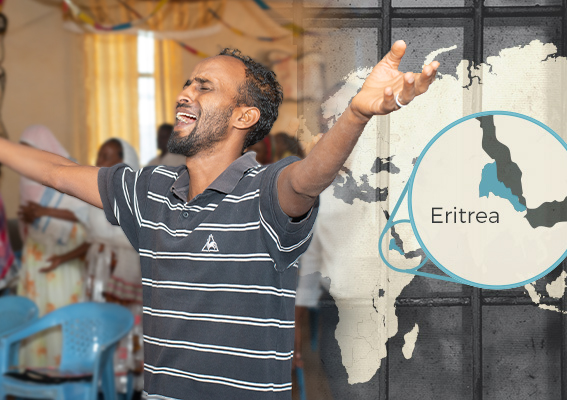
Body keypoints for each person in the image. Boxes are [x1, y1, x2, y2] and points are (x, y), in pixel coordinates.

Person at [0, 41, 439, 398]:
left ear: (243, 116)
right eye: (188, 82)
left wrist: (357, 113)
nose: (184, 93)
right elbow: (57, 171)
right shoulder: (148, 191)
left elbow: (310, 176)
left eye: (204, 87)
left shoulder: (265, 192)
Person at [43, 138, 144, 395]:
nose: (101, 162)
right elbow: (91, 238)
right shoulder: (94, 198)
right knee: (99, 324)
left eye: (108, 156)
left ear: (125, 162)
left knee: (126, 326)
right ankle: (104, 380)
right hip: (98, 271)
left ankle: (128, 384)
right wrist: (62, 258)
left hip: (125, 274)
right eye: (99, 156)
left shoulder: (136, 198)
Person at [15, 125, 88, 368]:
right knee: (37, 311)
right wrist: (30, 217)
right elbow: (31, 214)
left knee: (61, 309)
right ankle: (36, 370)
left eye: (30, 150)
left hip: (64, 255)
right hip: (37, 252)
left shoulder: (70, 172)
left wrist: (44, 211)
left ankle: (67, 371)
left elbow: (85, 214)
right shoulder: (28, 179)